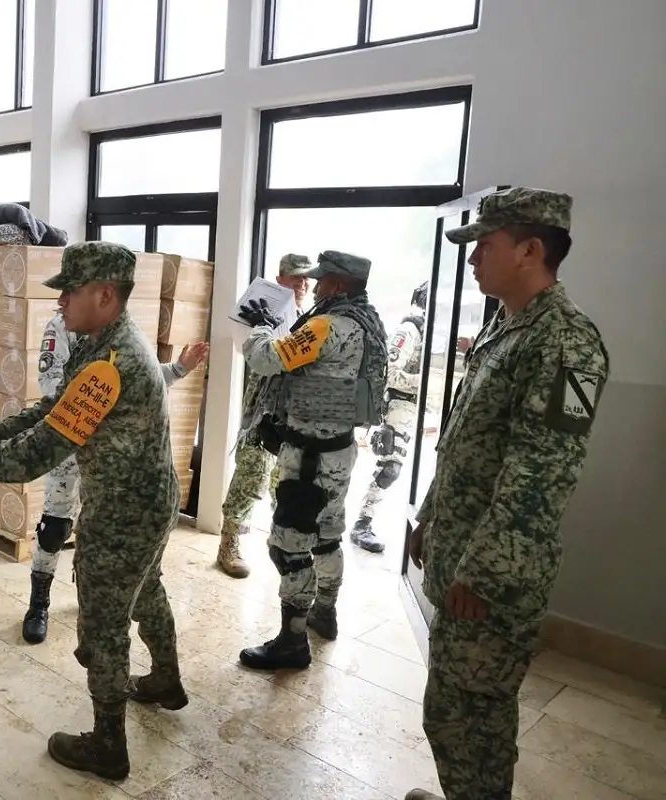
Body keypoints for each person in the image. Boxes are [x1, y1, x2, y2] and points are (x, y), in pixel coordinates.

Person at [0, 241, 183, 782]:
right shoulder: (103, 344)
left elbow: (41, 451)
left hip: (124, 512)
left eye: (70, 292)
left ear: (105, 295)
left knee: (103, 623)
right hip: (148, 501)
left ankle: (108, 743)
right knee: (146, 588)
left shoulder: (112, 362)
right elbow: (50, 410)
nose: (60, 303)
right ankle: (165, 680)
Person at [404, 188, 608, 800]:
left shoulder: (565, 343)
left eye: (483, 247)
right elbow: (467, 441)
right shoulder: (508, 328)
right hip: (462, 554)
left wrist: (486, 572)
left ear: (529, 250)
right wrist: (430, 516)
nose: (472, 261)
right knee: (455, 711)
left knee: (473, 719)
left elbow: (543, 472)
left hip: (489, 580)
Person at [238, 250, 388, 666]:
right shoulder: (368, 322)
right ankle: (325, 612)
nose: (317, 286)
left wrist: (261, 329)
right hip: (339, 451)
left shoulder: (326, 325)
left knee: (288, 546)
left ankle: (292, 640)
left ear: (338, 285)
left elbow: (268, 359)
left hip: (308, 460)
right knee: (326, 537)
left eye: (322, 280)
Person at [21, 311, 208, 644]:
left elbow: (144, 380)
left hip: (111, 456)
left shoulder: (126, 331)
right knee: (54, 529)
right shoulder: (63, 325)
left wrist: (179, 369)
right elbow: (53, 388)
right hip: (70, 446)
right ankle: (38, 604)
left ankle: (89, 591)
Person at [219, 254, 314, 578]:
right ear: (280, 279)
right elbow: (253, 353)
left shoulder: (309, 316)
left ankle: (282, 545)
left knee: (284, 481)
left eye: (306, 279)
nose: (303, 284)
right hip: (263, 407)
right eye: (296, 278)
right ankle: (229, 542)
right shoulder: (266, 310)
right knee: (252, 474)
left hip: (294, 411)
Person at [351, 280, 428, 554]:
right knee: (389, 469)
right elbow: (390, 372)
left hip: (417, 408)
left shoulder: (431, 331)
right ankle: (362, 523)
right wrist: (428, 382)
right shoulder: (411, 329)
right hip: (399, 405)